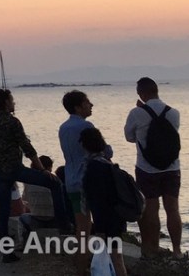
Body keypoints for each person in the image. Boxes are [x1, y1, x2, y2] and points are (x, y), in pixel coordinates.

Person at [0, 89, 73, 263]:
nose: (14, 103)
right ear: (6, 102)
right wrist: (41, 169)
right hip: (15, 169)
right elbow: (27, 147)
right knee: (55, 184)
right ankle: (64, 225)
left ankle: (6, 252)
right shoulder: (13, 122)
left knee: (3, 211)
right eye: (12, 100)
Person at [123, 76, 183, 258]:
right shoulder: (174, 113)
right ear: (157, 90)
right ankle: (177, 251)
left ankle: (153, 248)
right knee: (172, 208)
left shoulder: (136, 113)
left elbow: (129, 137)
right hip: (172, 168)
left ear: (141, 93)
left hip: (146, 168)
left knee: (151, 207)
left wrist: (142, 112)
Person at [58, 89, 111, 271]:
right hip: (88, 182)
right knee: (97, 226)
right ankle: (99, 267)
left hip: (71, 180)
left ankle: (80, 267)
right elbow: (103, 151)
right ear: (78, 106)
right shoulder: (85, 127)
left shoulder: (63, 128)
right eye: (87, 102)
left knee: (81, 227)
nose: (91, 105)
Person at [81, 128, 130, 276]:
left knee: (114, 258)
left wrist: (100, 229)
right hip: (117, 217)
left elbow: (98, 201)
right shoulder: (108, 164)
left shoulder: (93, 168)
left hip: (107, 221)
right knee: (116, 258)